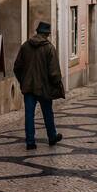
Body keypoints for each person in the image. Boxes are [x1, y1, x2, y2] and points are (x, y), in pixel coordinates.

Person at [13, 21, 65, 150]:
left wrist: (23, 81)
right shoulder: (49, 48)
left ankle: (30, 141)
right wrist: (57, 83)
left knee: (29, 114)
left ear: (37, 32)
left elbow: (17, 67)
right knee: (48, 112)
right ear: (47, 34)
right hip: (44, 87)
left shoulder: (25, 46)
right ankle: (52, 136)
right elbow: (54, 72)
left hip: (29, 87)